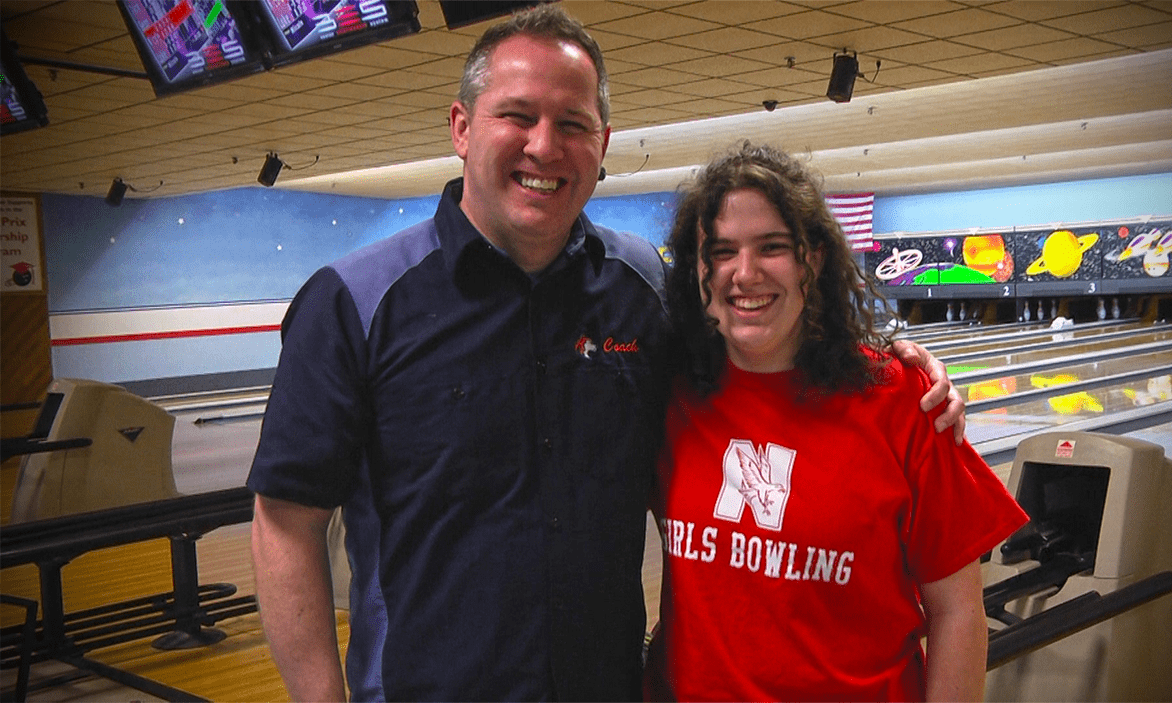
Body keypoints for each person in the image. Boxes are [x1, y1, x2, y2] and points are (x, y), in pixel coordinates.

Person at [247, 6, 964, 701]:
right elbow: (286, 523)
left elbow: (768, 353)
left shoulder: (646, 290)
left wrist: (893, 360)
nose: (544, 145)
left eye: (573, 124)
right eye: (518, 115)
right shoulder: (355, 300)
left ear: (603, 142)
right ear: (462, 127)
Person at [642, 142, 1028, 702]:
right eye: (721, 252)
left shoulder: (904, 401)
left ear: (812, 259)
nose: (743, 273)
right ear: (697, 267)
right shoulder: (665, 393)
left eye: (772, 247)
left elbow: (958, 612)